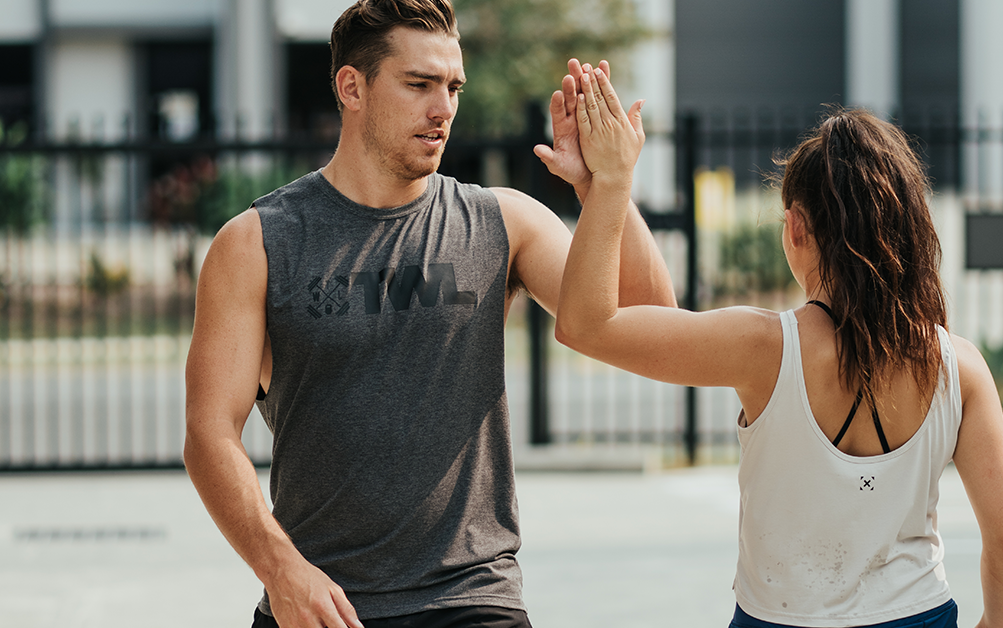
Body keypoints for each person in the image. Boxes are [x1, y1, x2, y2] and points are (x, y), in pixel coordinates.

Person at [182, 1, 675, 626]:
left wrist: (606, 187)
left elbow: (655, 325)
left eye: (453, 87)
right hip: (319, 603)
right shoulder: (256, 243)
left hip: (473, 598)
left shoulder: (502, 221)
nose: (443, 108)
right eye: (419, 84)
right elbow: (208, 434)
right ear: (351, 86)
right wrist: (280, 569)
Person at [555, 67, 1003, 628]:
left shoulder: (763, 348)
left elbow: (588, 325)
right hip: (918, 614)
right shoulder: (959, 367)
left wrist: (609, 184)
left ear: (796, 228)